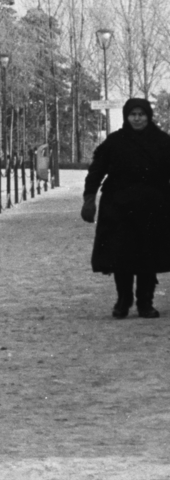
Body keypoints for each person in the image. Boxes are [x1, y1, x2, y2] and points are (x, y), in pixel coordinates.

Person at [81, 97, 170, 319]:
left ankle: (145, 303)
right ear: (126, 116)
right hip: (119, 207)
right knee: (120, 255)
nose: (137, 118)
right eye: (133, 114)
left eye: (141, 114)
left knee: (147, 256)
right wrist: (89, 197)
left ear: (148, 116)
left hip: (153, 206)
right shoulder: (114, 142)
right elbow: (96, 170)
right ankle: (123, 300)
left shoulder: (163, 142)